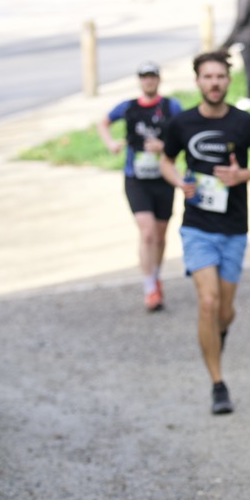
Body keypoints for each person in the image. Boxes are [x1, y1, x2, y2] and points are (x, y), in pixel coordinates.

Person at [159, 50, 250, 415]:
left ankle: (217, 335)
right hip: (197, 227)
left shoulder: (244, 123)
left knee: (225, 311)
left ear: (228, 80)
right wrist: (179, 181)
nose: (214, 83)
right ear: (197, 81)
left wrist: (242, 175)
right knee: (208, 301)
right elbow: (166, 160)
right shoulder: (182, 123)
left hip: (233, 228)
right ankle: (217, 383)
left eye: (220, 77)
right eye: (208, 77)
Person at [99, 60, 183, 312]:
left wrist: (163, 147)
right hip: (136, 178)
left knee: (160, 234)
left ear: (158, 79)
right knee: (147, 232)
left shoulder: (170, 106)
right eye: (144, 76)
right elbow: (103, 122)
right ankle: (149, 288)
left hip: (163, 177)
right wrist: (111, 144)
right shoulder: (128, 107)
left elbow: (183, 134)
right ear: (139, 80)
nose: (148, 80)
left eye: (152, 76)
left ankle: (155, 275)